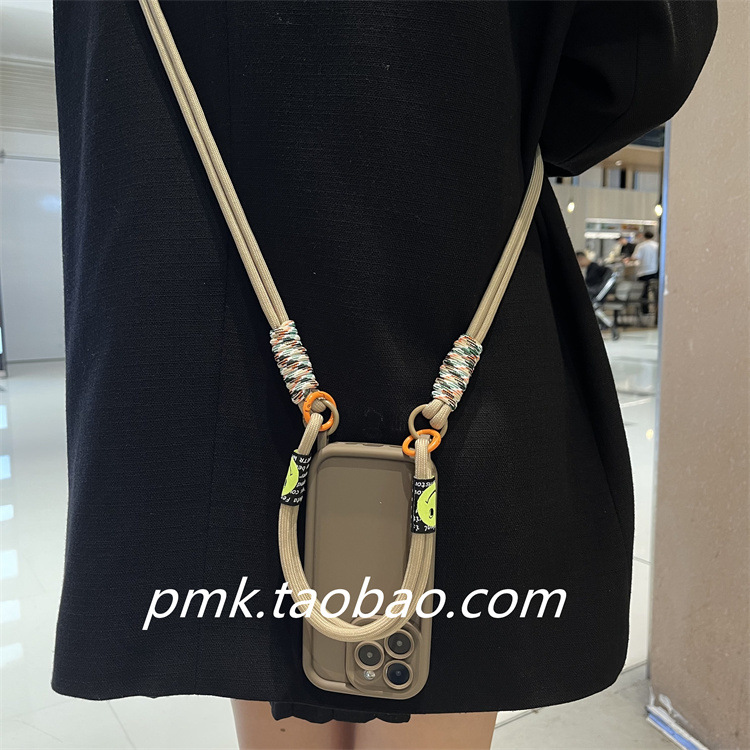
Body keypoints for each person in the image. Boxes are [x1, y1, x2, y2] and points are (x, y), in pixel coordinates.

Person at [50, 2, 718, 748]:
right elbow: (637, 65)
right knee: (442, 649)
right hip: (451, 280)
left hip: (196, 311)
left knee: (256, 622)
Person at [631, 230, 660, 315]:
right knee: (656, 292)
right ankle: (657, 310)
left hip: (643, 272)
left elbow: (635, 257)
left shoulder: (641, 246)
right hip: (654, 271)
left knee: (644, 292)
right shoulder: (657, 246)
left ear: (644, 236)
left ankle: (645, 310)